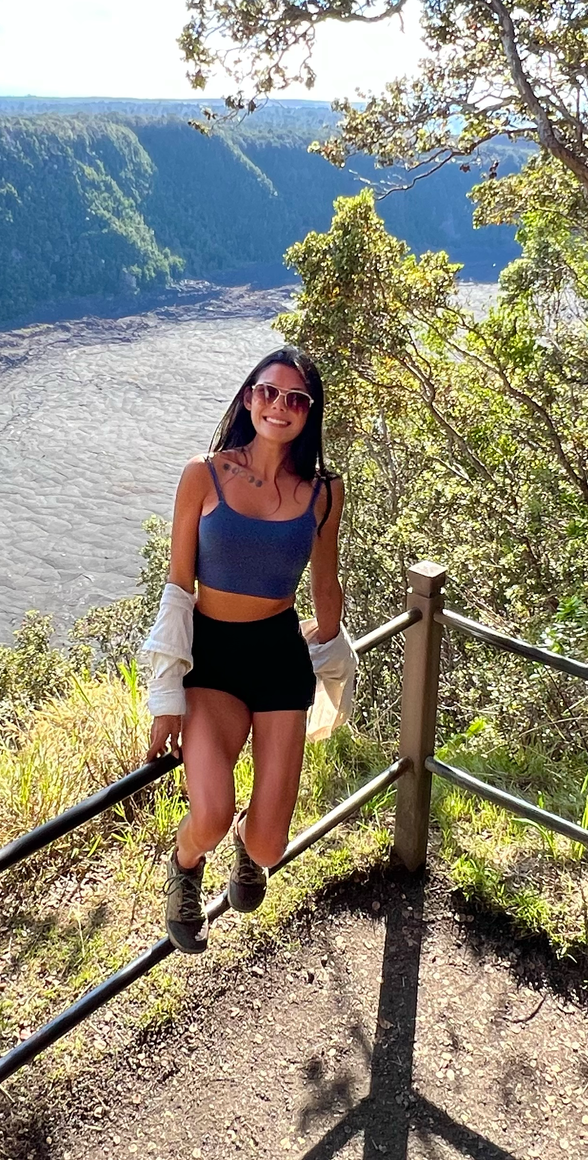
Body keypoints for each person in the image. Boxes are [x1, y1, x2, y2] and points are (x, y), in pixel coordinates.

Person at [141, 346, 345, 953]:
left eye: (294, 398)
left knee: (268, 846)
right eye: (266, 392)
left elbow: (326, 583)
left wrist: (330, 648)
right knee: (209, 812)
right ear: (247, 397)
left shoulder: (324, 493)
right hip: (214, 660)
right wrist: (164, 695)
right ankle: (183, 865)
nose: (278, 406)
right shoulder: (202, 475)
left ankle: (246, 857)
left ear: (310, 412)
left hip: (280, 658)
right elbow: (179, 587)